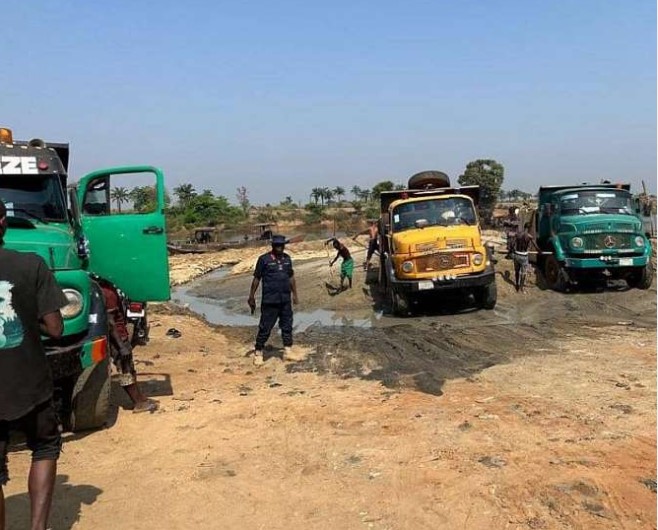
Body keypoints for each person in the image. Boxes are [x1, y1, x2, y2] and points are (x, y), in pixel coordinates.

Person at [0, 199, 68, 530]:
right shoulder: (32, 265)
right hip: (30, 383)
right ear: (3, 223)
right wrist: (27, 318)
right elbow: (56, 328)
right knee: (44, 447)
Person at [98, 279, 158, 413]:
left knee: (128, 366)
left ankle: (141, 398)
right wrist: (121, 345)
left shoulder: (99, 287)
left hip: (114, 334)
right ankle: (138, 402)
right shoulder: (107, 291)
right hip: (117, 336)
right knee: (125, 368)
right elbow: (111, 322)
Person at [247, 235, 299, 366]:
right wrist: (251, 296)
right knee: (265, 327)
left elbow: (291, 277)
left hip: (285, 299)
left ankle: (287, 350)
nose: (279, 247)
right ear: (272, 246)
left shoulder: (287, 259)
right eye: (277, 245)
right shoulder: (264, 260)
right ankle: (258, 351)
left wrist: (295, 294)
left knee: (287, 325)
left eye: (281, 245)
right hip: (270, 300)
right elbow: (256, 279)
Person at [511, 222, 540, 292]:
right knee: (523, 273)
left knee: (517, 271)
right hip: (524, 256)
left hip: (517, 255)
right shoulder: (529, 236)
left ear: (524, 227)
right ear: (529, 228)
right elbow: (535, 246)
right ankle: (521, 287)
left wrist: (513, 250)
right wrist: (540, 251)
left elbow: (512, 244)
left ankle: (517, 285)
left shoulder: (518, 234)